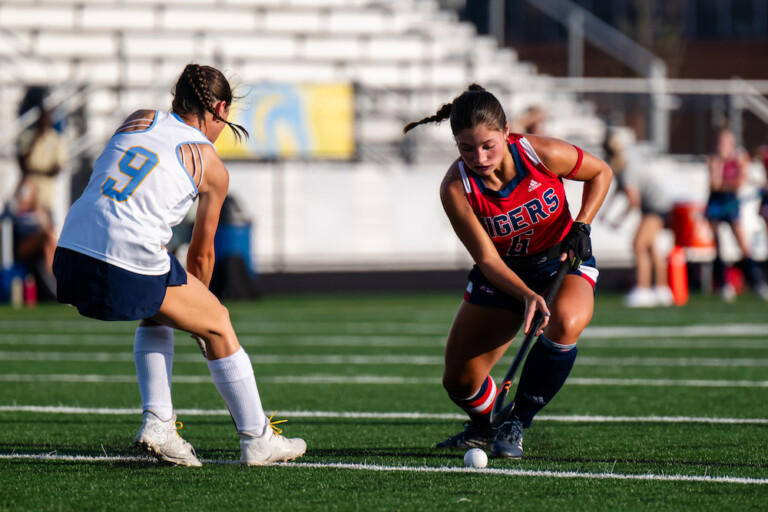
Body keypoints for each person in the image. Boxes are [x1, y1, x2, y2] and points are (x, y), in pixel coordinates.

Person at [52, 63, 306, 467]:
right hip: (126, 258)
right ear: (220, 107)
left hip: (68, 253)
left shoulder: (139, 118)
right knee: (219, 322)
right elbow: (202, 255)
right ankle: (258, 440)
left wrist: (183, 305)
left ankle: (160, 421)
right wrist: (200, 314)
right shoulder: (211, 165)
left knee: (157, 309)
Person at [402, 84, 612, 459]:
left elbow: (601, 173)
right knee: (459, 381)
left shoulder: (540, 153)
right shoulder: (456, 188)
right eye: (466, 148)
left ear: (506, 133)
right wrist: (527, 295)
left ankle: (518, 420)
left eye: (488, 146)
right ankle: (484, 425)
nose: (479, 157)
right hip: (502, 274)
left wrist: (582, 225)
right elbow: (487, 260)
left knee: (565, 322)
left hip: (559, 263)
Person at [704, 128, 768, 301]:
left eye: (726, 142)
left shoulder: (739, 158)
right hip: (716, 203)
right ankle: (723, 285)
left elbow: (738, 183)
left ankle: (757, 283)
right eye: (720, 142)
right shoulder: (713, 159)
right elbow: (715, 185)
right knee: (717, 246)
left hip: (731, 204)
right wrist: (719, 167)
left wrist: (725, 183)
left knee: (743, 245)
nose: (722, 146)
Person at [616, 161, 675, 308]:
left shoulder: (627, 171)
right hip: (657, 207)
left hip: (656, 208)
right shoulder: (626, 168)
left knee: (639, 245)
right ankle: (662, 290)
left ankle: (643, 289)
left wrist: (618, 219)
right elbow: (619, 191)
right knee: (651, 247)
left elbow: (633, 201)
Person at [3, 178, 58, 298]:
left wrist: (40, 212)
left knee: (48, 239)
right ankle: (53, 276)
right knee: (46, 237)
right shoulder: (14, 209)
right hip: (21, 246)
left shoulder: (42, 209)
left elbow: (51, 227)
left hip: (42, 246)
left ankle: (54, 275)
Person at [16, 107, 68, 219]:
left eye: (46, 119)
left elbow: (56, 169)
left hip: (46, 195)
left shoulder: (57, 140)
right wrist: (35, 141)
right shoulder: (28, 137)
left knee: (47, 225)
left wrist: (35, 170)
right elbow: (22, 163)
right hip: (28, 195)